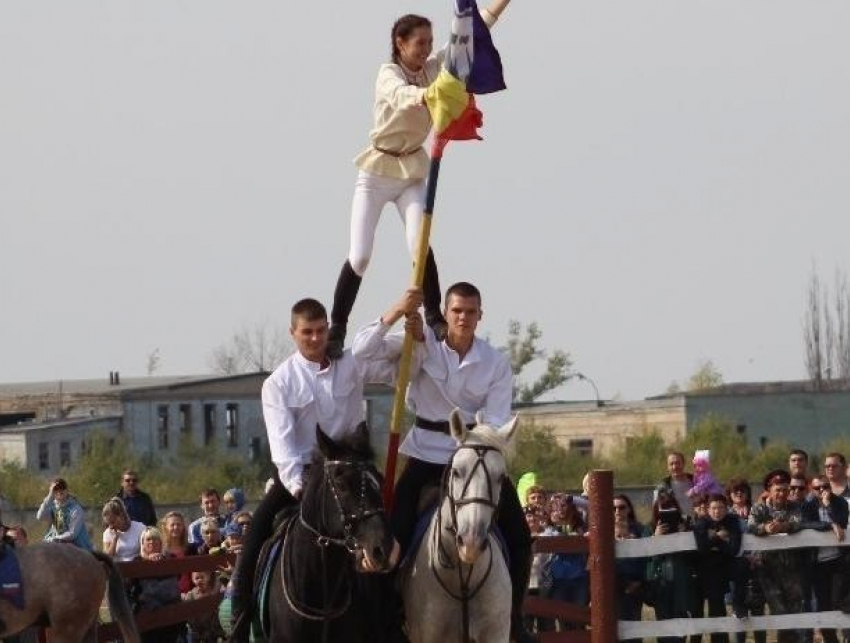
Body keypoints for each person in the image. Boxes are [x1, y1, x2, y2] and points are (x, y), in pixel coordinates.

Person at [326, 0, 514, 358]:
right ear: (401, 43)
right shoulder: (388, 73)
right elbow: (403, 97)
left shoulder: (433, 68)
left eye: (430, 42)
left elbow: (474, 29)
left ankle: (433, 315)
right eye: (420, 43)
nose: (426, 49)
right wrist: (432, 94)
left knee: (419, 244)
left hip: (412, 170)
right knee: (361, 255)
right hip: (378, 171)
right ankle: (337, 327)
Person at [352, 282, 535, 643]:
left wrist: (474, 445)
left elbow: (496, 422)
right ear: (446, 313)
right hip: (424, 454)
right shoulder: (421, 347)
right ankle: (387, 620)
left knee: (520, 535)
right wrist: (398, 311)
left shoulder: (496, 363)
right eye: (457, 311)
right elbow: (360, 353)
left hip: (475, 454)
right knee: (390, 538)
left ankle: (514, 620)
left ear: (480, 315)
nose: (463, 318)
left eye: (470, 311)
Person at [227, 297, 401, 642]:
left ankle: (390, 623)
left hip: (350, 471)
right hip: (302, 476)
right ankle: (241, 618)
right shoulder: (278, 383)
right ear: (294, 333)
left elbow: (374, 347)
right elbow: (283, 448)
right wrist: (301, 488)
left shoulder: (349, 364)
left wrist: (401, 318)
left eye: (321, 331)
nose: (315, 338)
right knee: (256, 535)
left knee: (382, 531)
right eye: (307, 332)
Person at [748, 470, 807, 643]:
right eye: (777, 489)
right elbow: (751, 526)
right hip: (767, 570)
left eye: (784, 489)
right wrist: (764, 529)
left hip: (791, 570)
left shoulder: (794, 507)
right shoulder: (759, 508)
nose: (782, 493)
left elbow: (798, 523)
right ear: (769, 490)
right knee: (780, 612)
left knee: (795, 613)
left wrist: (784, 526)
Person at [802, 474, 848, 643]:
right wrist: (829, 525)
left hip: (839, 561)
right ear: (811, 489)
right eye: (817, 488)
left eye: (825, 486)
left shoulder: (839, 502)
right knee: (823, 605)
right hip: (817, 563)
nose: (822, 490)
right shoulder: (807, 505)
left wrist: (828, 506)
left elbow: (842, 522)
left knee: (840, 601)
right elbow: (805, 524)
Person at [693, 494, 742, 643]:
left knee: (717, 610)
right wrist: (719, 538)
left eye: (721, 508)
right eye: (714, 508)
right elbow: (702, 547)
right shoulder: (701, 523)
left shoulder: (732, 521)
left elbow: (734, 549)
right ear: (708, 509)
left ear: (726, 509)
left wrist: (714, 541)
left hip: (721, 571)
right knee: (697, 614)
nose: (717, 511)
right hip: (701, 572)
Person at [129, 527, 183, 643]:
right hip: (147, 612)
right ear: (142, 543)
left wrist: (162, 560)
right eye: (148, 539)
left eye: (155, 539)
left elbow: (178, 575)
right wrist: (148, 563)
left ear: (161, 542)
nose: (152, 542)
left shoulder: (171, 558)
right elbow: (130, 583)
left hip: (170, 610)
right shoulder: (136, 561)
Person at [36, 477, 92, 550]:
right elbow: (40, 516)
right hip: (55, 542)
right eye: (56, 489)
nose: (59, 491)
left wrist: (55, 539)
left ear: (67, 490)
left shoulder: (76, 509)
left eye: (62, 487)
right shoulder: (53, 507)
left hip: (76, 544)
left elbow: (72, 533)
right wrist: (49, 496)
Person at [183, 570, 226, 643]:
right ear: (193, 580)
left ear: (208, 577)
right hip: (198, 627)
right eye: (197, 578)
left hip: (212, 627)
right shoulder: (192, 593)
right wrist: (183, 597)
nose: (199, 580)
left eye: (202, 577)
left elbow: (221, 587)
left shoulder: (213, 590)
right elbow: (186, 601)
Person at [102, 497, 147, 562]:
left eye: (113, 522)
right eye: (108, 524)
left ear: (121, 515)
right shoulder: (108, 533)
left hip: (137, 566)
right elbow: (107, 558)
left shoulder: (141, 528)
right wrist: (114, 540)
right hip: (117, 568)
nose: (111, 526)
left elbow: (147, 551)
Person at [161, 511, 193, 594]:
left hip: (190, 595)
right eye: (172, 525)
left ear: (183, 527)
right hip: (169, 596)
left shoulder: (191, 549)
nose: (176, 527)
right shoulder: (161, 551)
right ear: (166, 527)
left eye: (179, 524)